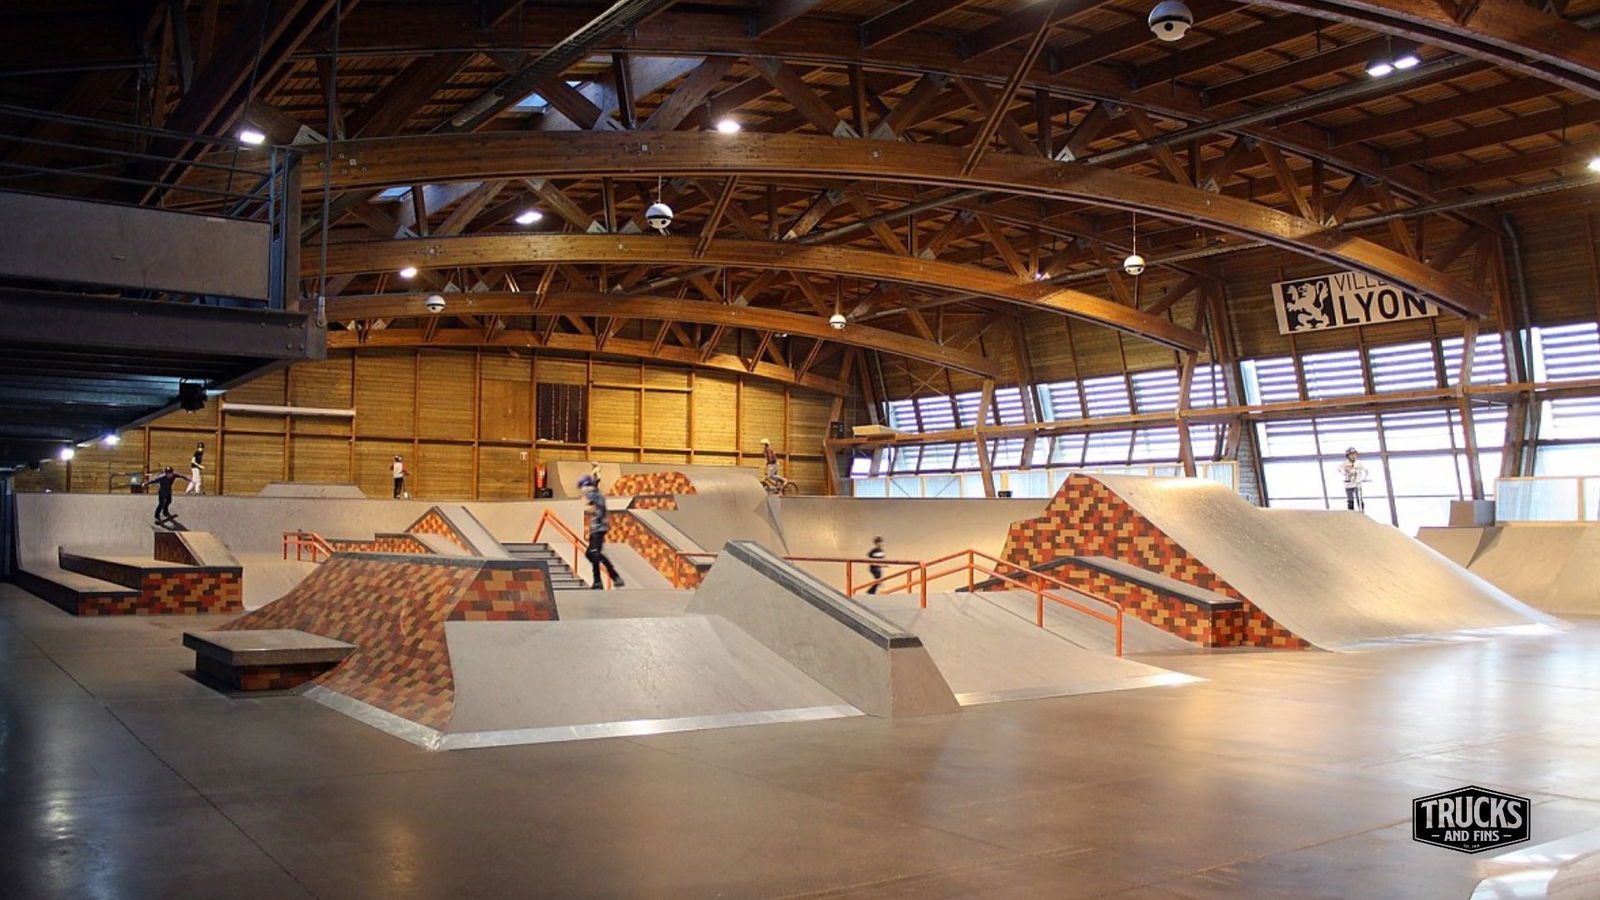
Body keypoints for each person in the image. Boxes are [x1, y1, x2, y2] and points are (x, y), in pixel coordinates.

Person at [579, 474, 624, 590]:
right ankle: (598, 581)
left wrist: (594, 476)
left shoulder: (593, 493)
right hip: (596, 528)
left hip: (599, 528)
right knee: (590, 554)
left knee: (594, 552)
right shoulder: (596, 494)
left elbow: (589, 490)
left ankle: (614, 576)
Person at [1338, 447, 1369, 511]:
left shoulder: (1359, 463)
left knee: (1359, 499)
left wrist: (1363, 479)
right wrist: (1345, 472)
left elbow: (1366, 471)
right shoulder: (1344, 464)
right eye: (1351, 454)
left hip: (1357, 484)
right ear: (1348, 456)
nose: (1353, 456)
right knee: (1350, 500)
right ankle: (1351, 513)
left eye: (1354, 454)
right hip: (1348, 484)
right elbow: (1339, 469)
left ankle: (1361, 511)